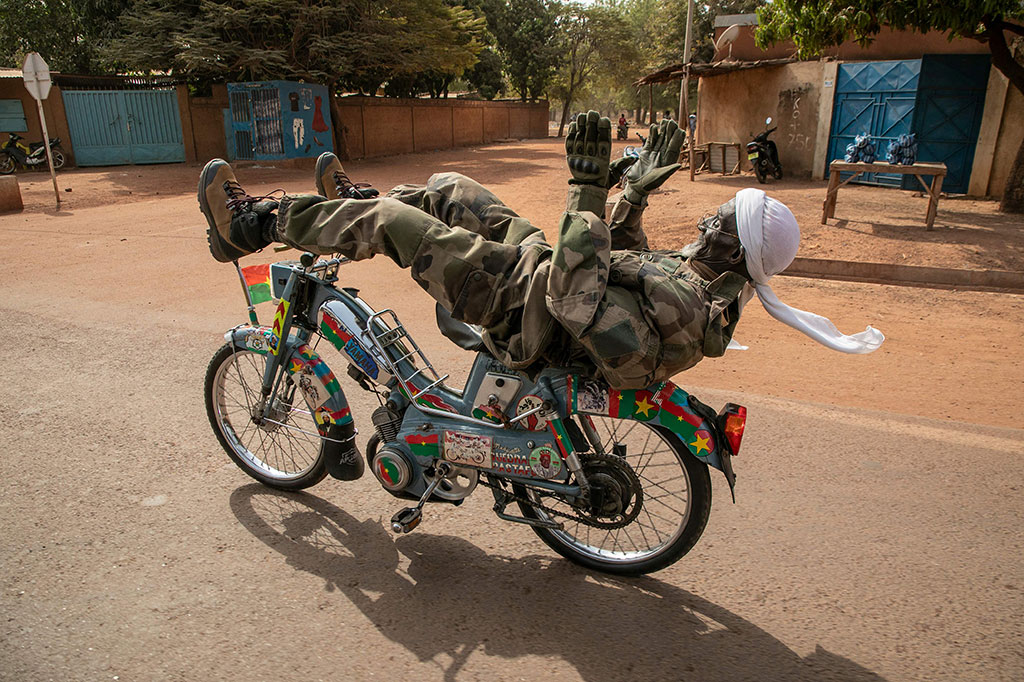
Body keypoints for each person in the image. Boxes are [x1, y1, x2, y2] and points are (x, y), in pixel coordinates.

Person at [198, 112, 883, 389]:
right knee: (452, 187)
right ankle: (356, 203)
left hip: (525, 313)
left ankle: (252, 226)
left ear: (733, 245)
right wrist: (632, 197)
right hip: (541, 275)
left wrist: (587, 188)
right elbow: (623, 267)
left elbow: (576, 297)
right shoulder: (696, 281)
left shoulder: (690, 296)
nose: (709, 216)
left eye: (722, 217)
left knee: (391, 222)